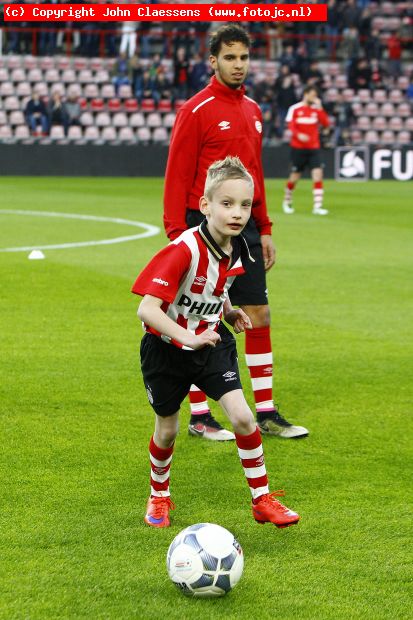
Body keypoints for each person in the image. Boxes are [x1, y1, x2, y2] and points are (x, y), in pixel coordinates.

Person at [132, 156, 301, 529]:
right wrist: (187, 337)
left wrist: (228, 311)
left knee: (242, 416)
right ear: (205, 206)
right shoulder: (183, 249)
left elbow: (216, 285)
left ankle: (262, 499)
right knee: (168, 429)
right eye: (227, 204)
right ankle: (159, 494)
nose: (237, 213)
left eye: (245, 205)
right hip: (166, 349)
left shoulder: (238, 246)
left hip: (211, 343)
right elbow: (147, 309)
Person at [164, 24, 308, 441]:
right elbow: (177, 175)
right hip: (202, 226)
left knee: (259, 314)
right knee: (199, 319)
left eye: (244, 57)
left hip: (244, 229)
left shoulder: (254, 111)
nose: (238, 65)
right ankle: (200, 417)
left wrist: (264, 227)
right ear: (213, 61)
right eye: (230, 57)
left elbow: (255, 175)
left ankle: (265, 411)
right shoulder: (195, 109)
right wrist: (178, 234)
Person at [282, 85, 330, 216]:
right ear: (306, 94)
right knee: (294, 177)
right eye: (313, 95)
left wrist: (320, 108)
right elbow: (290, 125)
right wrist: (298, 135)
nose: (314, 98)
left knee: (318, 175)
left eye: (315, 96)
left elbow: (326, 123)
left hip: (314, 148)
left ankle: (317, 206)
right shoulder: (295, 109)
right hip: (298, 148)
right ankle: (287, 201)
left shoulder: (316, 109)